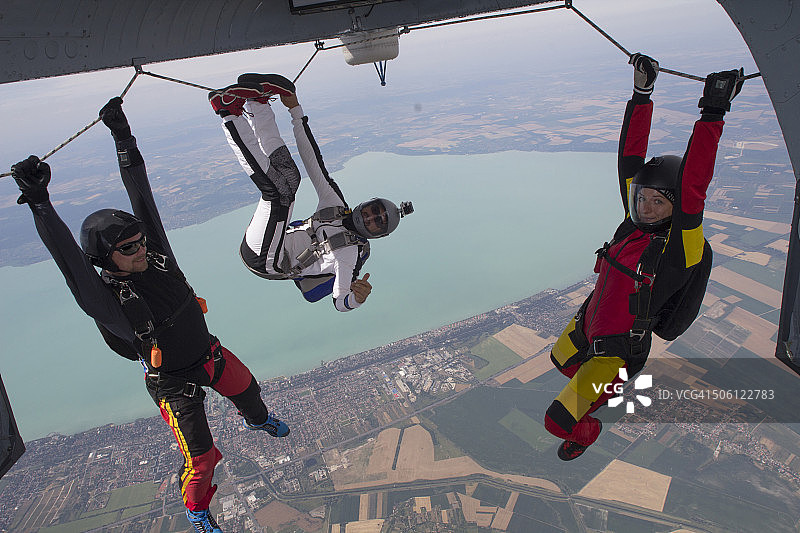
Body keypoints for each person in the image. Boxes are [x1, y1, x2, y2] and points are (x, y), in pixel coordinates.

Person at [11, 98, 290, 532]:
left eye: (140, 241)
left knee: (249, 390)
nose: (142, 248)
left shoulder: (158, 260)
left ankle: (257, 420)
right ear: (105, 259)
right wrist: (39, 201)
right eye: (128, 248)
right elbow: (69, 261)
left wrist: (124, 139)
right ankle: (197, 511)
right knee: (201, 458)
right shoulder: (108, 303)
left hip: (208, 355)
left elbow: (143, 200)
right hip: (172, 382)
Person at [544, 54, 744, 461]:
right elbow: (630, 160)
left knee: (557, 420)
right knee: (559, 360)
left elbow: (694, 186)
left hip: (618, 351)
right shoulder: (632, 226)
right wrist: (641, 94)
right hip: (589, 327)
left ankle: (586, 432)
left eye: (658, 202)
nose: (647, 208)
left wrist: (713, 110)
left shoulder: (679, 248)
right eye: (642, 199)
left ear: (674, 208)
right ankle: (592, 394)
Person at [208, 74, 413, 311]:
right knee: (290, 177)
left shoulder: (349, 256)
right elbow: (312, 159)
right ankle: (258, 105)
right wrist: (295, 109)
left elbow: (340, 302)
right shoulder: (335, 206)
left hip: (267, 261)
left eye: (378, 222)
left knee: (280, 195)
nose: (370, 217)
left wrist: (358, 298)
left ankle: (228, 113)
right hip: (272, 241)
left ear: (377, 235)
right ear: (366, 203)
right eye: (374, 211)